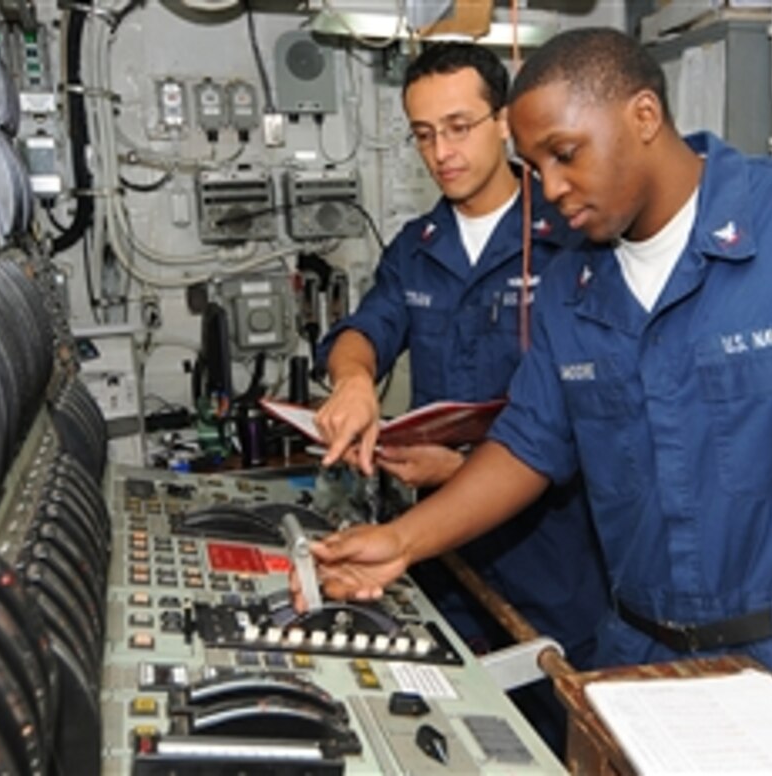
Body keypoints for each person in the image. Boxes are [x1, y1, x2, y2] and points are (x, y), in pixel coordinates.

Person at [299, 28, 772, 765]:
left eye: (566, 155)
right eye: (536, 166)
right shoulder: (574, 283)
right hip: (636, 658)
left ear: (643, 115)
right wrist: (402, 542)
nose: (552, 189)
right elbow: (529, 443)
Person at [311, 42, 610, 753]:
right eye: (423, 134)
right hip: (444, 555)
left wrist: (465, 468)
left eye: (458, 126)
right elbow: (365, 331)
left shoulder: (571, 233)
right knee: (458, 737)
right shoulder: (417, 246)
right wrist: (355, 379)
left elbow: (602, 409)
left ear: (503, 121)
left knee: (558, 737)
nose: (440, 151)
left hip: (559, 552)